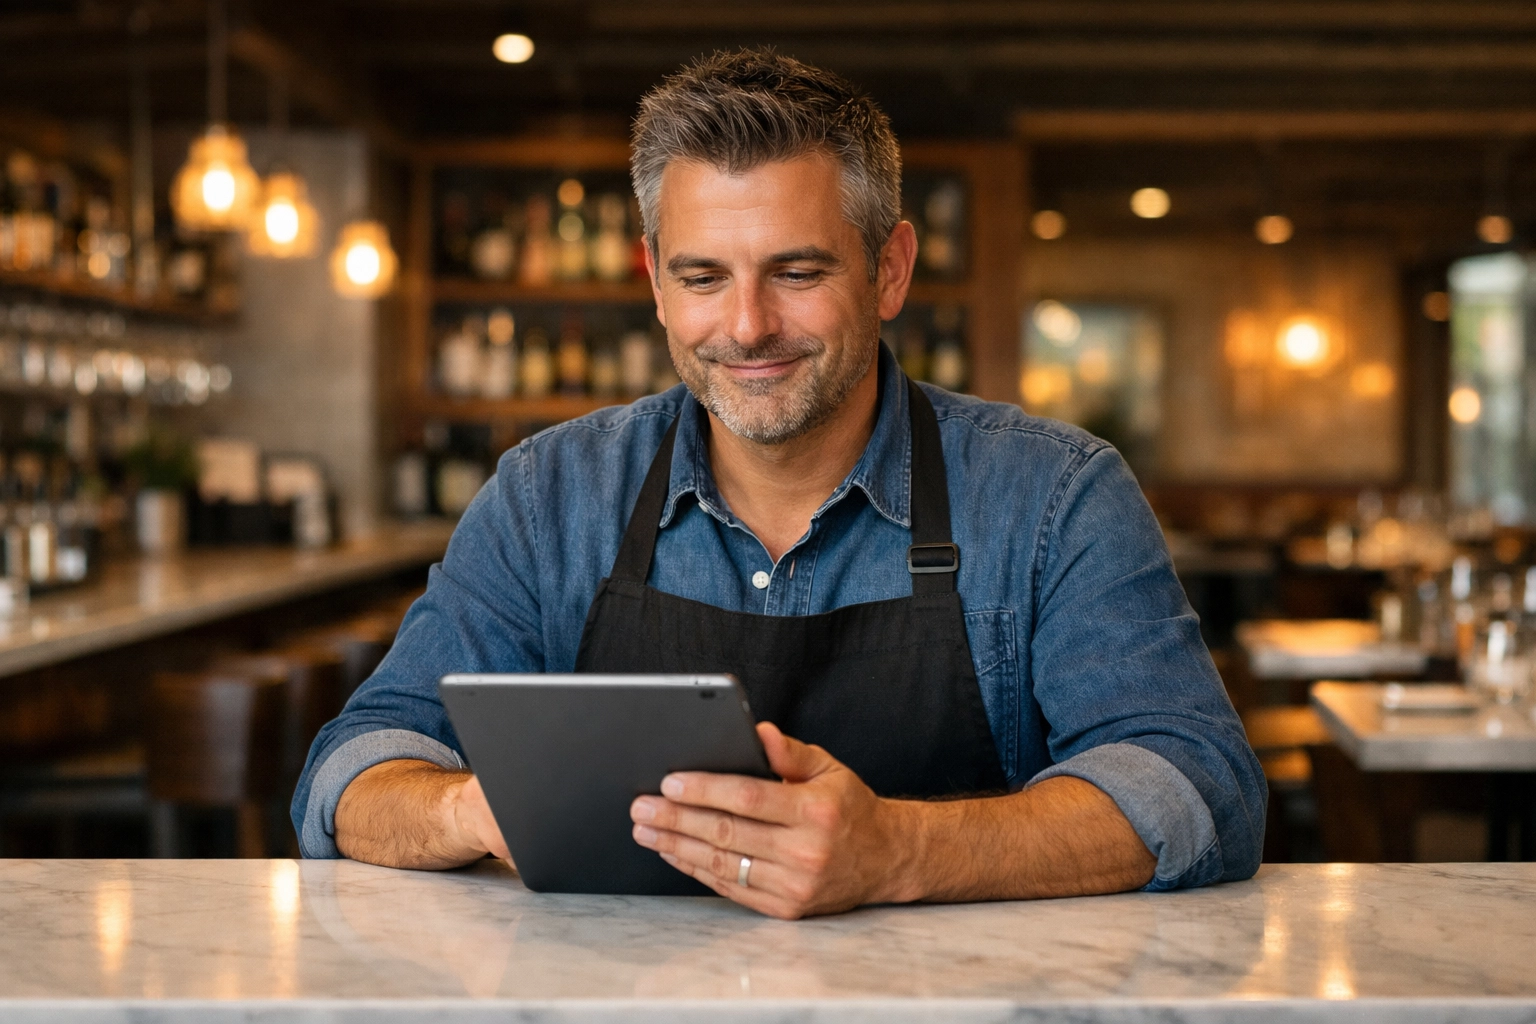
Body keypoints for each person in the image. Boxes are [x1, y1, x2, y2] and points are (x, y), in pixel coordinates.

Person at [292, 48, 1265, 920]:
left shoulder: (1056, 495)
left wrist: (903, 851)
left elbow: (1194, 781)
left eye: (797, 272)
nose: (748, 326)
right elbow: (350, 772)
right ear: (655, 283)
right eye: (704, 276)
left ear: (889, 270)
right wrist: (468, 806)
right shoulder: (549, 496)